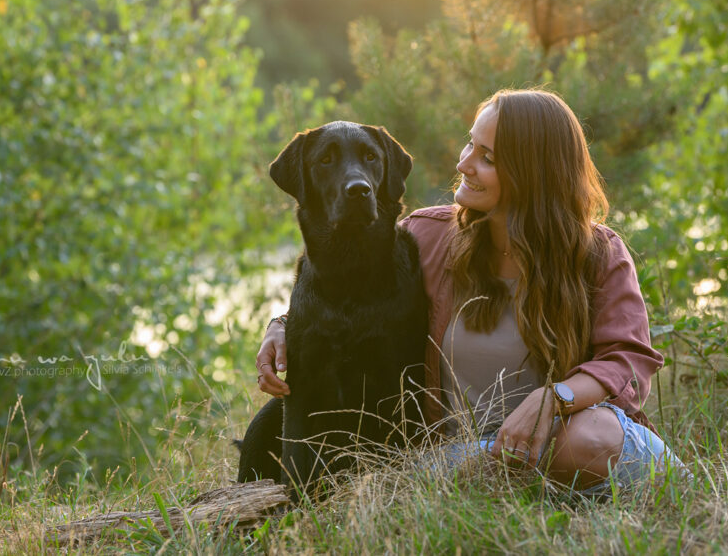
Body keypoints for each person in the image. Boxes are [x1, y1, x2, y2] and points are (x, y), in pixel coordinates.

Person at [255, 89, 686, 492]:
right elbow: (342, 288)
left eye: (487, 157)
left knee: (592, 440)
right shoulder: (427, 236)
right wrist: (283, 325)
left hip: (567, 439)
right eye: (469, 145)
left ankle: (560, 488)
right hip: (463, 454)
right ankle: (526, 495)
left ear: (533, 173)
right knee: (433, 474)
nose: (464, 164)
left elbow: (627, 361)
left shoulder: (597, 253)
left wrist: (552, 400)